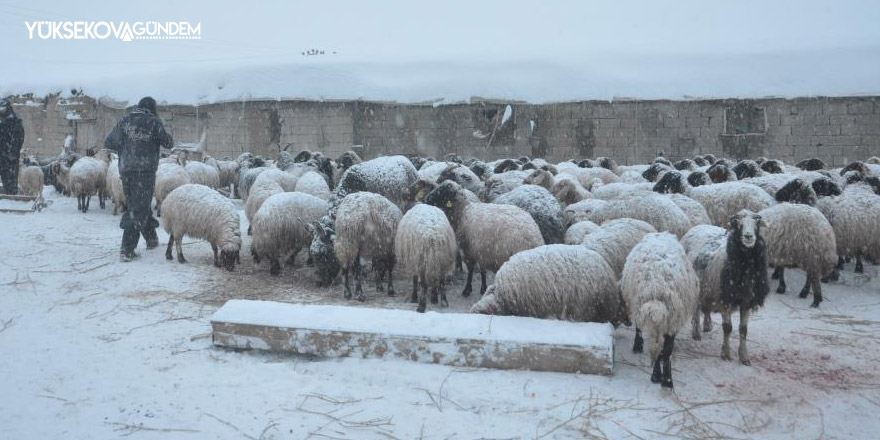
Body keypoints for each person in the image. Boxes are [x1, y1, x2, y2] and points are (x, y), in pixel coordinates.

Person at [104, 97, 173, 262]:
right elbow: (168, 143)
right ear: (152, 108)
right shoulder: (153, 122)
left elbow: (109, 142)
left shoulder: (125, 121)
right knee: (138, 208)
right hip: (145, 170)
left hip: (127, 170)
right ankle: (127, 249)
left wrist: (126, 146)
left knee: (137, 204)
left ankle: (151, 239)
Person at [0, 98, 25, 195]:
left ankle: (11, 198)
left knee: (9, 181)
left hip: (9, 157)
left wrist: (13, 152)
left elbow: (18, 138)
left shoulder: (15, 121)